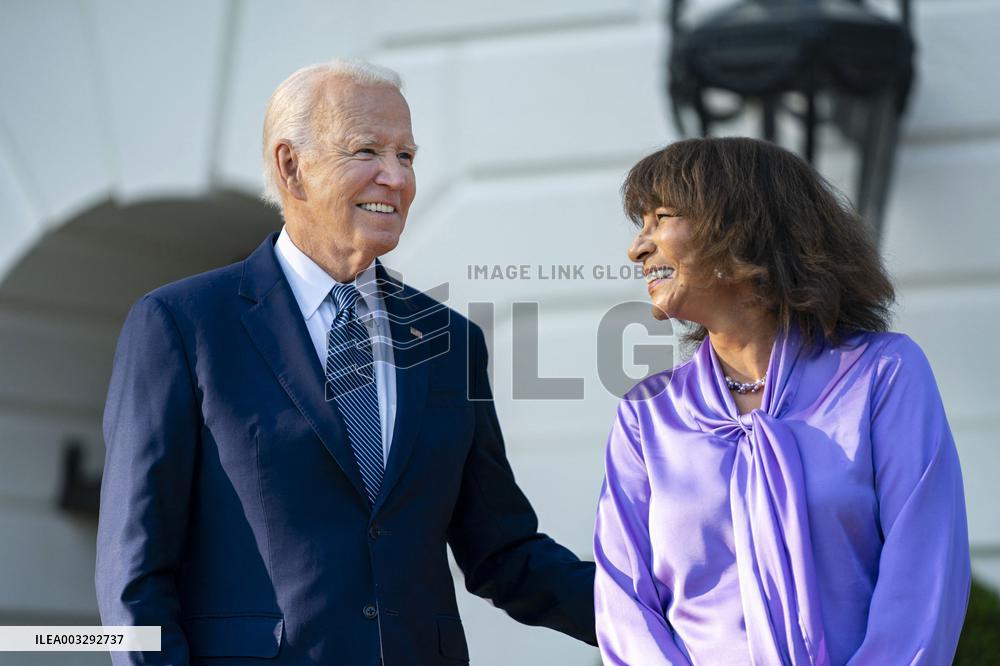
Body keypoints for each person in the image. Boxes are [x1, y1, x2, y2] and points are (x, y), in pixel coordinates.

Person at [96, 59, 596, 665]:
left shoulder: (450, 341)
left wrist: (674, 614)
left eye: (406, 156)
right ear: (291, 166)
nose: (396, 177)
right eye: (367, 150)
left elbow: (504, 552)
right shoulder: (181, 325)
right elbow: (134, 575)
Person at [593, 137, 970, 665]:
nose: (638, 247)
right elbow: (625, 604)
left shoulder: (884, 376)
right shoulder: (646, 414)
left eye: (662, 217)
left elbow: (924, 577)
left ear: (741, 230)